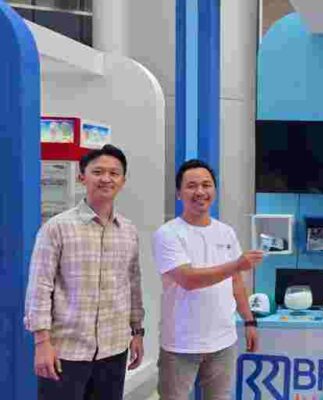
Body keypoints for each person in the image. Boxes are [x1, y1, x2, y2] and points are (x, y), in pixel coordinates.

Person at [24, 144, 144, 400]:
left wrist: (137, 332)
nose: (106, 179)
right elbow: (39, 287)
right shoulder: (57, 228)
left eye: (114, 173)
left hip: (113, 349)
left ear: (123, 181)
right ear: (82, 177)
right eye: (97, 172)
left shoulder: (128, 231)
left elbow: (133, 285)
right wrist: (42, 343)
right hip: (66, 351)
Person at [153, 159, 264, 400]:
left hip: (223, 342)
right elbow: (188, 280)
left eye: (206, 185)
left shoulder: (226, 232)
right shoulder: (168, 234)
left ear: (214, 190)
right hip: (180, 344)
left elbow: (236, 282)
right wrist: (236, 264)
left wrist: (249, 320)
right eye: (191, 186)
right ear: (179, 193)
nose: (200, 192)